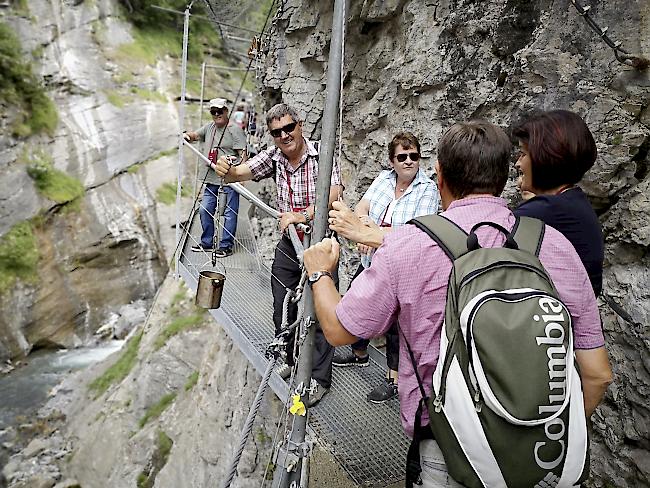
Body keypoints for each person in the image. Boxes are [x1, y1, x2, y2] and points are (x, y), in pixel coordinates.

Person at [304, 120, 612, 486]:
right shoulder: (555, 246)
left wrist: (320, 273)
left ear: (439, 177)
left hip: (448, 447)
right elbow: (597, 374)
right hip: (543, 453)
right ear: (502, 176)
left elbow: (340, 330)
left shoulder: (409, 246)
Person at [215, 102, 343, 406]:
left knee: (323, 312)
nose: (284, 135)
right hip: (289, 244)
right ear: (272, 136)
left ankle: (319, 379)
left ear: (299, 125)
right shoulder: (275, 157)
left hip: (320, 245)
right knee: (281, 303)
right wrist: (227, 169)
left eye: (289, 127)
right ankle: (289, 357)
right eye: (277, 132)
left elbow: (336, 191)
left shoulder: (321, 153)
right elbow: (242, 172)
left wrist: (302, 215)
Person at [329, 132, 440, 404]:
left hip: (403, 267)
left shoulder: (428, 189)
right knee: (357, 299)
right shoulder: (383, 179)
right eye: (402, 157)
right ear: (392, 160)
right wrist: (364, 224)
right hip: (373, 259)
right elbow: (363, 206)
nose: (409, 161)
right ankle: (358, 352)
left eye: (414, 156)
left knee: (396, 328)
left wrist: (369, 233)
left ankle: (393, 379)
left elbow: (416, 231)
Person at [513, 109, 604, 296]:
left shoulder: (546, 210)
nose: (518, 163)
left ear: (543, 157)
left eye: (523, 154)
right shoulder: (571, 203)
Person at [184, 98, 247, 256]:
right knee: (205, 209)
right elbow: (195, 135)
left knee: (229, 212)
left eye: (220, 111)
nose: (217, 114)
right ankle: (207, 242)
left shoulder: (234, 130)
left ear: (226, 111)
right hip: (211, 178)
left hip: (229, 179)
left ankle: (226, 245)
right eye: (214, 111)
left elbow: (243, 155)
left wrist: (241, 177)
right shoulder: (209, 127)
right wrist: (186, 136)